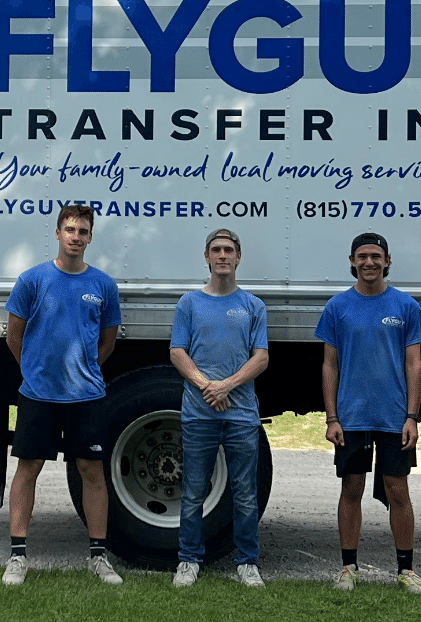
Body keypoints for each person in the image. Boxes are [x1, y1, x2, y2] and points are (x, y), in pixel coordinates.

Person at [2, 204, 123, 586]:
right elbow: (13, 336)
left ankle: (98, 557)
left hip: (86, 395)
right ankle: (18, 557)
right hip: (38, 394)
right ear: (57, 234)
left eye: (83, 231)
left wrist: (83, 370)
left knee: (91, 471)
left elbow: (107, 342)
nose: (75, 236)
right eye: (69, 229)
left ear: (90, 238)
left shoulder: (103, 285)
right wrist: (35, 370)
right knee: (28, 468)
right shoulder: (32, 280)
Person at [315, 233, 421, 594]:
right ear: (352, 261)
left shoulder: (405, 306)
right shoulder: (337, 307)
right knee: (352, 488)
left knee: (398, 490)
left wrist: (412, 416)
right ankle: (349, 568)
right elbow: (329, 365)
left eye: (376, 256)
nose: (369, 262)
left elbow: (414, 364)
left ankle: (406, 571)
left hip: (394, 417)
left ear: (388, 261)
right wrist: (332, 417)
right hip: (351, 416)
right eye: (362, 256)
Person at [169, 228, 270, 589]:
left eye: (229, 250)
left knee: (245, 493)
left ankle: (247, 563)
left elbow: (261, 358)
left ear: (238, 257)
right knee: (194, 490)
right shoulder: (189, 304)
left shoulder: (253, 306)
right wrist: (206, 386)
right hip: (199, 414)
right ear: (207, 257)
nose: (223, 256)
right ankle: (188, 560)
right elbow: (177, 352)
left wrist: (225, 386)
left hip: (241, 415)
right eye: (216, 250)